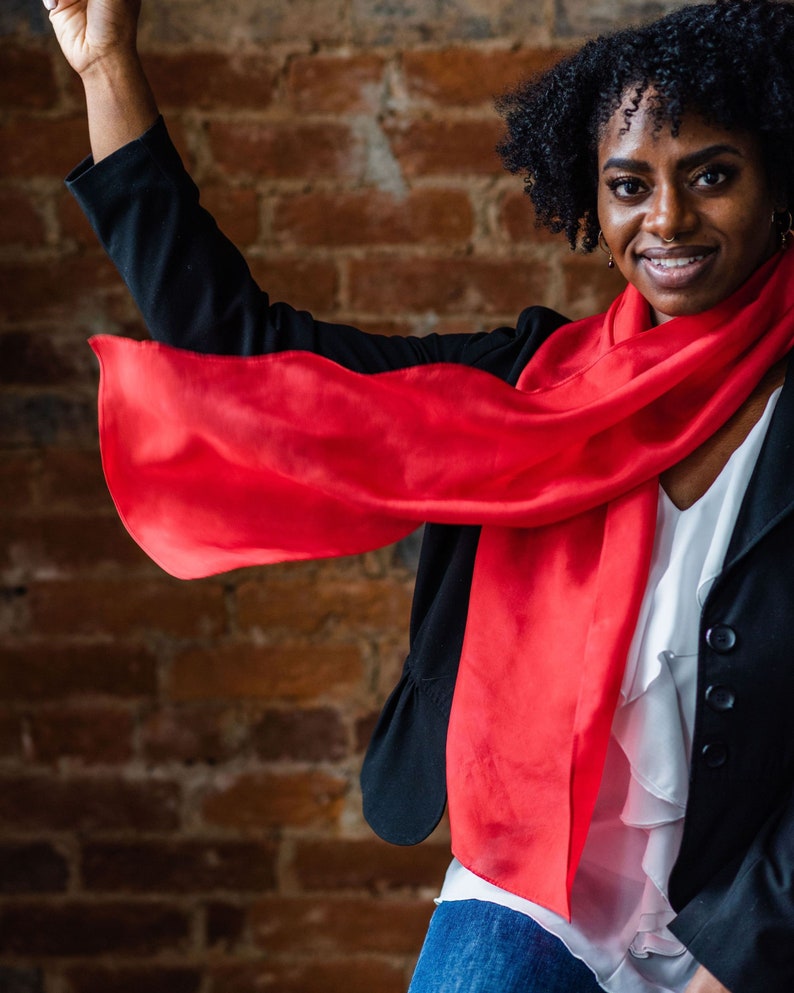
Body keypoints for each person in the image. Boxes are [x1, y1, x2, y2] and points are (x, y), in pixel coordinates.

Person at [43, 0, 794, 991]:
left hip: (748, 906)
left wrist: (742, 957)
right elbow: (245, 350)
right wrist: (106, 71)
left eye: (709, 176)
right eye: (627, 185)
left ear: (777, 181)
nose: (663, 219)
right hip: (532, 896)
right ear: (591, 201)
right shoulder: (526, 393)